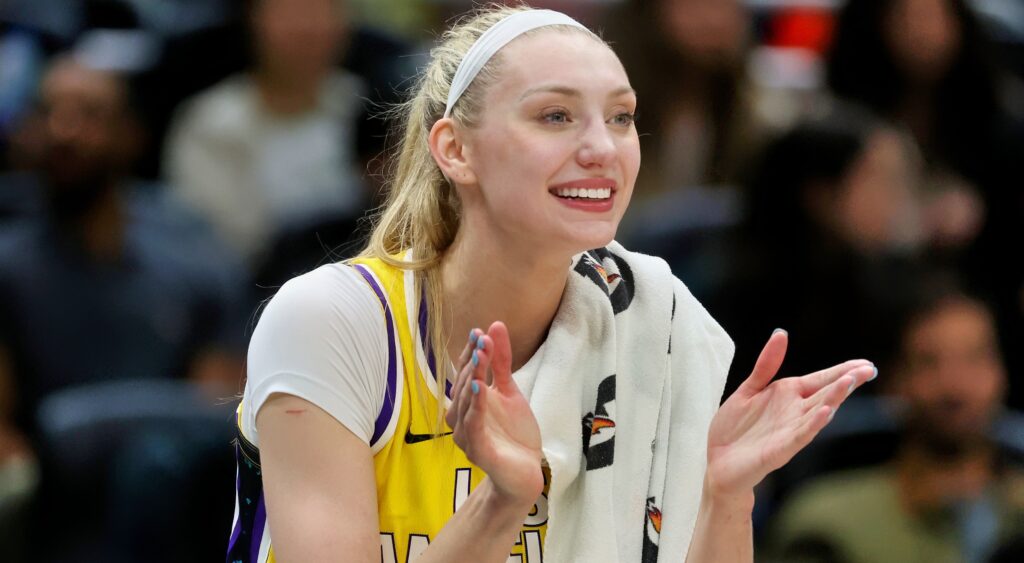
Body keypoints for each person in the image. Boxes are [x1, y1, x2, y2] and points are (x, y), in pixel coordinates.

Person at [228, 6, 877, 563]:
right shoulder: (332, 321)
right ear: (455, 150)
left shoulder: (656, 316)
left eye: (621, 117)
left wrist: (727, 496)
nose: (603, 147)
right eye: (556, 116)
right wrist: (503, 501)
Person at [767, 288, 1024, 563]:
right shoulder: (830, 525)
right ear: (895, 380)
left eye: (975, 358)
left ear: (1002, 373)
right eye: (928, 362)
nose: (955, 386)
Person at [163, 0, 369, 265]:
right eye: (292, 14)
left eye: (323, 12)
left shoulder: (368, 104)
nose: (308, 29)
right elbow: (217, 243)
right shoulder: (212, 123)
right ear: (254, 20)